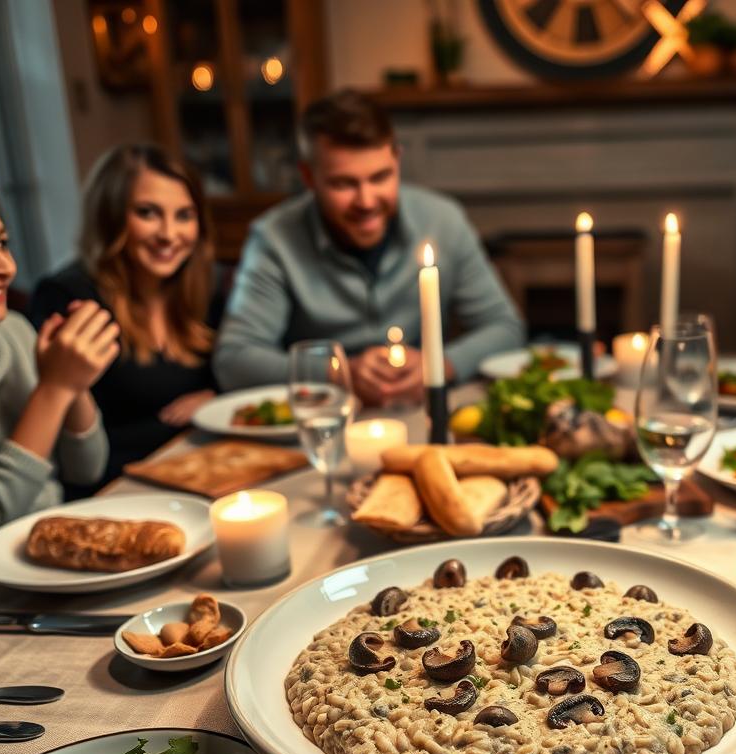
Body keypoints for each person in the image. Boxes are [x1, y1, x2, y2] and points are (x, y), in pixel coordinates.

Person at [212, 89, 524, 406]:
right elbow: (234, 360)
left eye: (380, 177)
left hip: (421, 411)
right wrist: (338, 371)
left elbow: (505, 328)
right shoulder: (274, 239)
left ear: (397, 160)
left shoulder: (443, 220)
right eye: (344, 184)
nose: (366, 201)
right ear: (309, 177)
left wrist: (442, 364)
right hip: (327, 419)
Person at [29, 144, 219, 485]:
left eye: (184, 215)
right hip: (116, 486)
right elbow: (66, 442)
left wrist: (218, 397)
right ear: (110, 217)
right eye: (147, 213)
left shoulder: (206, 288)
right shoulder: (69, 297)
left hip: (199, 469)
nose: (169, 234)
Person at [0, 193, 117, 525]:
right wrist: (56, 388)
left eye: (1, 243)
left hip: (55, 537)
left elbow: (86, 468)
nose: (7, 268)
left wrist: (74, 381)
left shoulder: (15, 331)